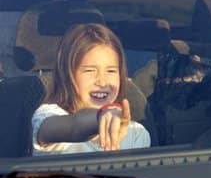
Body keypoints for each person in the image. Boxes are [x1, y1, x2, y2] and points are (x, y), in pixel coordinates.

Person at [31, 23, 150, 155]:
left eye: (111, 71)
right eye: (89, 71)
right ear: (67, 75)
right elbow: (74, 127)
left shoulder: (136, 134)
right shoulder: (47, 116)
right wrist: (101, 117)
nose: (102, 82)